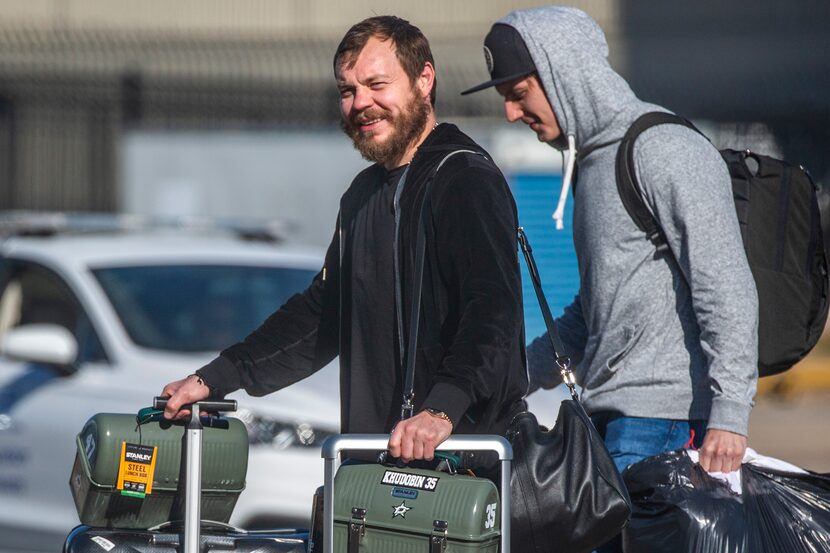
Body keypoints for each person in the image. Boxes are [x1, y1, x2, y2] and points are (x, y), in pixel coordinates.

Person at [160, 15, 528, 463]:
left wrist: (441, 410)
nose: (361, 104)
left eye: (377, 85)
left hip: (458, 471)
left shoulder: (464, 178)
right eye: (348, 91)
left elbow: (492, 312)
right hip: (373, 467)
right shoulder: (361, 195)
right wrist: (215, 378)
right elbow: (323, 315)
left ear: (424, 80)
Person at [462, 7, 758, 482]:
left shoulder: (663, 148)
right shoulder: (593, 163)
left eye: (519, 95)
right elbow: (594, 310)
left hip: (666, 423)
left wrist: (728, 414)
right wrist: (509, 379)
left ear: (565, 75)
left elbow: (724, 285)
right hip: (609, 421)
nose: (511, 113)